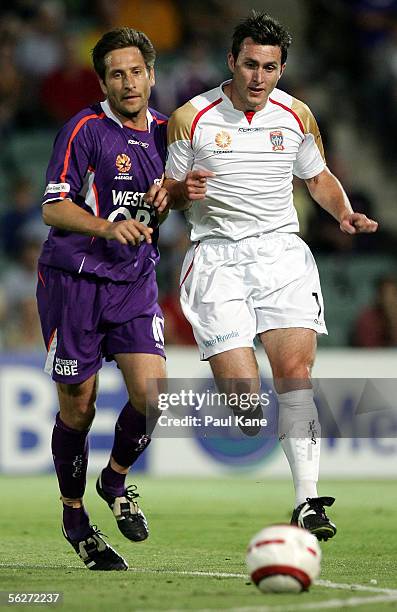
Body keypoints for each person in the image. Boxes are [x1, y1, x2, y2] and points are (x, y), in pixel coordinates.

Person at [160, 12, 378, 541]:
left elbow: (318, 175)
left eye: (271, 68)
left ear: (282, 69)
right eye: (251, 65)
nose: (259, 78)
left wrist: (342, 212)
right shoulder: (191, 117)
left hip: (281, 253)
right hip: (216, 258)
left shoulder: (297, 114)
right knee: (246, 406)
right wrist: (180, 193)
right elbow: (163, 194)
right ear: (231, 62)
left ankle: (307, 502)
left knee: (296, 375)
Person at [36, 27, 169, 570]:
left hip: (134, 283)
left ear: (151, 75)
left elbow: (170, 199)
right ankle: (75, 520)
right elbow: (52, 207)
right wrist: (105, 228)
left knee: (153, 395)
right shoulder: (84, 130)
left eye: (136, 71)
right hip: (76, 283)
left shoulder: (168, 134)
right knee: (79, 406)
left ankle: (113, 481)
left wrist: (180, 195)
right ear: (103, 81)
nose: (128, 82)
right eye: (117, 74)